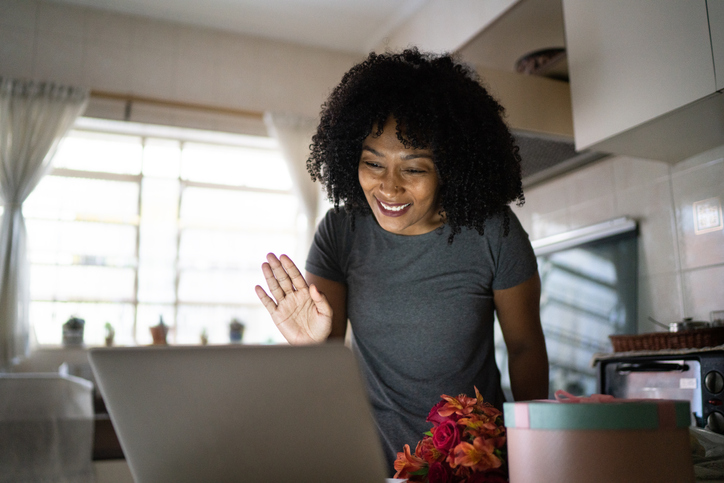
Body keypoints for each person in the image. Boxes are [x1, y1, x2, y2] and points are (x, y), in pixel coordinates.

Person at [255, 48, 549, 473]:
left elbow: (524, 348)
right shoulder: (341, 232)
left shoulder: (494, 232)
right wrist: (312, 348)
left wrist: (534, 454)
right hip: (374, 465)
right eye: (373, 163)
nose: (388, 188)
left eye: (413, 169)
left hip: (476, 466)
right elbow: (327, 368)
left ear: (450, 168)